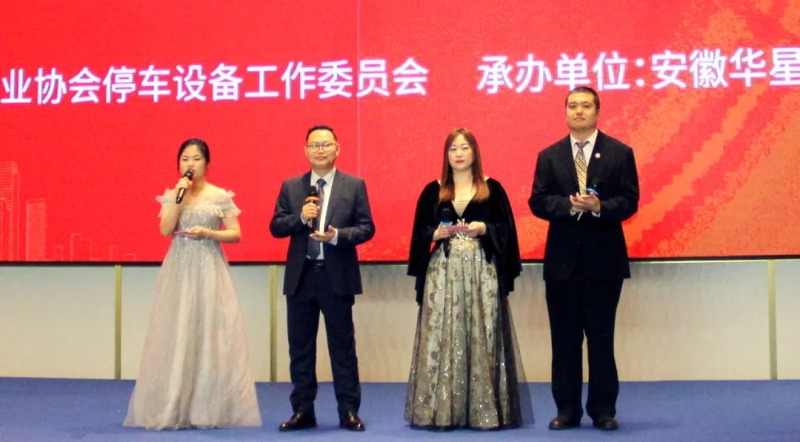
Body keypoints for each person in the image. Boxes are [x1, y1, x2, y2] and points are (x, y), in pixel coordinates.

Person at [124, 138, 262, 430]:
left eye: (196, 159)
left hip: (209, 266)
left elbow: (235, 234)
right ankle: (174, 405)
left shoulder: (219, 195)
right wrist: (178, 197)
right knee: (179, 330)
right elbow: (165, 229)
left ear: (207, 164)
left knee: (208, 331)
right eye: (185, 159)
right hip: (179, 268)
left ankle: (205, 409)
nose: (190, 164)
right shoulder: (174, 193)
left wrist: (209, 234)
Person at [529, 86, 639, 431]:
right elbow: (538, 201)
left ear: (597, 112)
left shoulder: (619, 152)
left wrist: (600, 207)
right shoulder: (549, 155)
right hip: (562, 264)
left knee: (601, 340)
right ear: (565, 113)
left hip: (604, 263)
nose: (579, 111)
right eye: (573, 106)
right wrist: (569, 206)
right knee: (564, 341)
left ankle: (603, 410)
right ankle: (567, 410)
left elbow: (630, 201)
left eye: (586, 106)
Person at [405, 128, 528, 430]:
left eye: (464, 148)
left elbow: (508, 232)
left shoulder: (492, 188)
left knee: (483, 332)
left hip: (481, 270)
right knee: (443, 334)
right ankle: (442, 411)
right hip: (443, 272)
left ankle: (484, 411)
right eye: (453, 149)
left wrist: (484, 228)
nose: (459, 154)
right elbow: (418, 234)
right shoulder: (432, 190)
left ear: (475, 152)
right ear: (446, 155)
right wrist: (436, 233)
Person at [269, 125, 375, 432]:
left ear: (337, 148)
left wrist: (336, 236)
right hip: (301, 277)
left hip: (336, 277)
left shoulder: (353, 185)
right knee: (300, 349)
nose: (320, 150)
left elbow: (367, 227)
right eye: (314, 145)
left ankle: (349, 410)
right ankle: (303, 410)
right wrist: (301, 218)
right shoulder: (292, 186)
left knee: (343, 347)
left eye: (326, 144)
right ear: (305, 150)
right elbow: (276, 226)